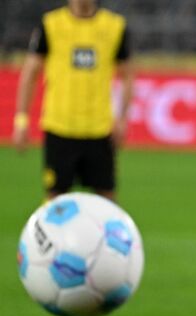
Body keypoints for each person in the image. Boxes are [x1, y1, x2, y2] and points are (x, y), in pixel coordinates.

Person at [12, 0, 134, 202]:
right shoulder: (51, 24)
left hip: (99, 129)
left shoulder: (114, 26)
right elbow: (30, 73)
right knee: (55, 199)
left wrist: (122, 119)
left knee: (107, 200)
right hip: (60, 127)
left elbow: (128, 75)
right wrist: (21, 121)